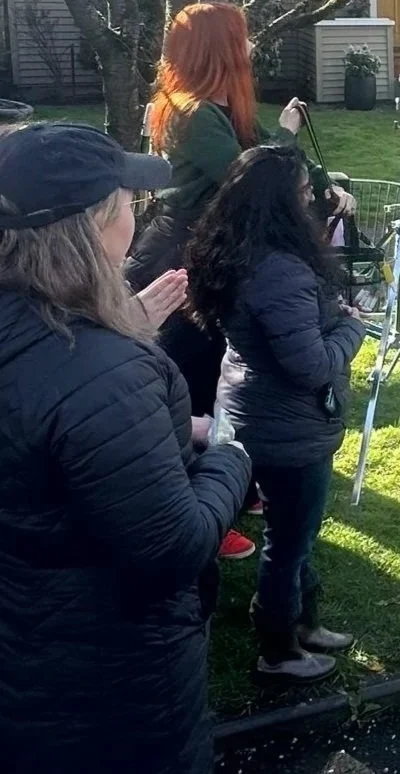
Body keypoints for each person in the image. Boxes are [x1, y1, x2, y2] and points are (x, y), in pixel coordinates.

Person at [0, 123, 251, 773]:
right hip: (109, 694)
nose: (136, 220)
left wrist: (128, 336)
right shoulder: (101, 371)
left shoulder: (35, 330)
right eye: (128, 204)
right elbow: (171, 548)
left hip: (27, 655)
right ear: (92, 224)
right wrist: (228, 455)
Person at [125, 1, 355, 559]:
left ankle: (239, 476)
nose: (250, 50)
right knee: (196, 374)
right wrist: (286, 134)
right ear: (218, 48)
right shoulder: (190, 112)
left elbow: (271, 169)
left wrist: (327, 187)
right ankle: (203, 503)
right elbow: (250, 175)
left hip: (212, 247)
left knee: (221, 363)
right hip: (182, 253)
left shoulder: (222, 105)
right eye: (241, 40)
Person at [187, 146, 366, 683]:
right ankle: (279, 646)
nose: (312, 198)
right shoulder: (279, 269)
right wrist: (352, 327)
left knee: (296, 532)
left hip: (251, 410)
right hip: (286, 427)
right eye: (305, 192)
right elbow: (309, 366)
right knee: (289, 539)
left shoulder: (242, 250)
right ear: (280, 201)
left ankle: (301, 621)